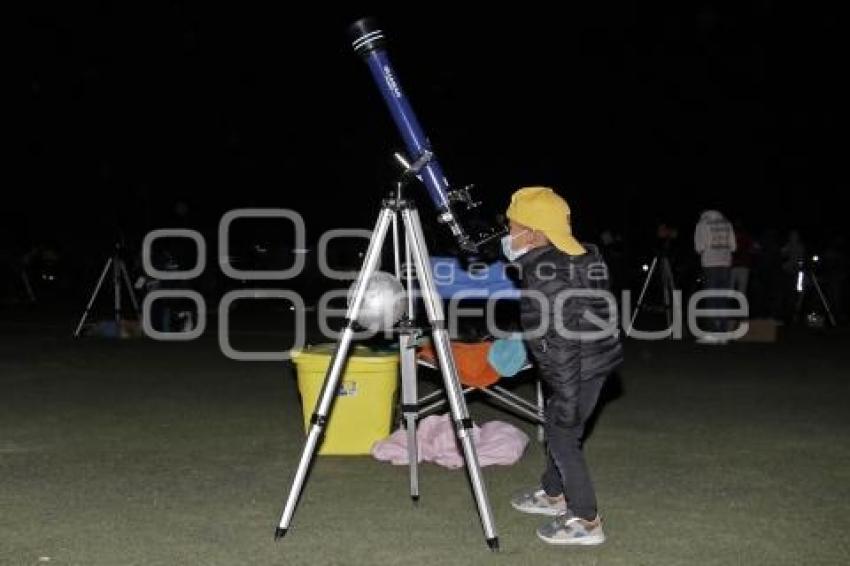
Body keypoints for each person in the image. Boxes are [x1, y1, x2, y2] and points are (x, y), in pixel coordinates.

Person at [501, 186, 623, 546]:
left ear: (535, 233)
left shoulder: (546, 274)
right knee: (563, 427)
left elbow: (563, 342)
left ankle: (586, 520)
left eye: (512, 227)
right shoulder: (582, 257)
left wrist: (566, 396)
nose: (509, 235)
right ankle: (553, 493)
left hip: (578, 367)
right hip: (595, 362)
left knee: (563, 433)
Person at [693, 209, 737, 343]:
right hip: (725, 263)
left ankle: (712, 333)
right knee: (722, 298)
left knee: (711, 298)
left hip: (710, 263)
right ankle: (722, 333)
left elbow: (699, 247)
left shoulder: (702, 223)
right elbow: (734, 247)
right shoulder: (727, 223)